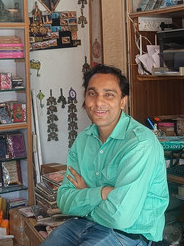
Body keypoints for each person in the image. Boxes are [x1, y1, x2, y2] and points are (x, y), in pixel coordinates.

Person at [41, 64, 169, 245]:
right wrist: (101, 193)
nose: (98, 102)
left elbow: (120, 217)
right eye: (92, 93)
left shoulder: (140, 144)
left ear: (123, 101)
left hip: (128, 235)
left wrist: (85, 196)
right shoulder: (83, 140)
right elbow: (64, 202)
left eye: (109, 94)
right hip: (83, 225)